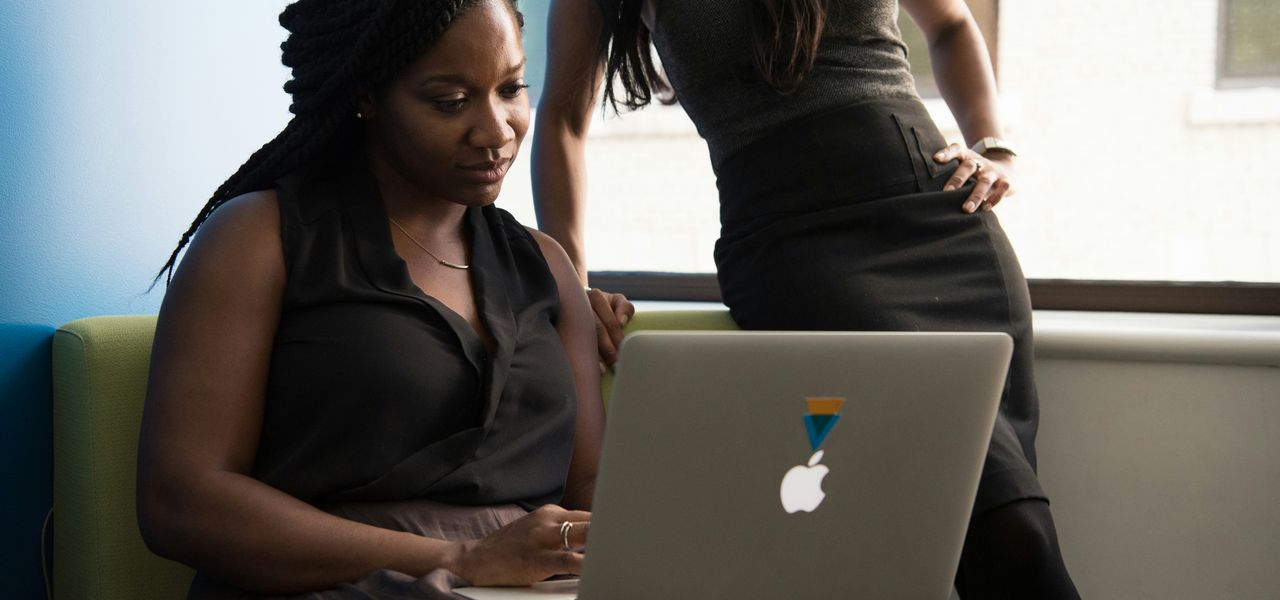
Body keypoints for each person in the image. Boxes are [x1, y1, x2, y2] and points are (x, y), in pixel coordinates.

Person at [533, 0, 1080, 597]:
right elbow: (562, 118)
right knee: (1003, 534)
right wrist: (572, 289)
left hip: (943, 223)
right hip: (797, 252)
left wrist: (993, 146)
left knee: (999, 532)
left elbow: (951, 24)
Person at [137, 1, 603, 597]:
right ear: (367, 96)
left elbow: (593, 496)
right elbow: (180, 501)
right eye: (450, 101)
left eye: (511, 88)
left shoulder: (545, 266)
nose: (496, 130)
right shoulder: (257, 240)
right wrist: (461, 559)